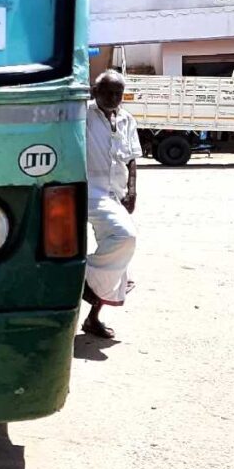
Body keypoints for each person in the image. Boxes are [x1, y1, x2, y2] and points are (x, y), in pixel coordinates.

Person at [82, 70, 141, 338]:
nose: (114, 98)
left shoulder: (127, 119)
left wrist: (132, 191)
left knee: (120, 262)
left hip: (114, 194)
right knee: (125, 237)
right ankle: (82, 279)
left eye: (118, 93)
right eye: (108, 92)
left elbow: (132, 159)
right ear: (95, 92)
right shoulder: (83, 114)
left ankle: (93, 318)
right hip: (89, 192)